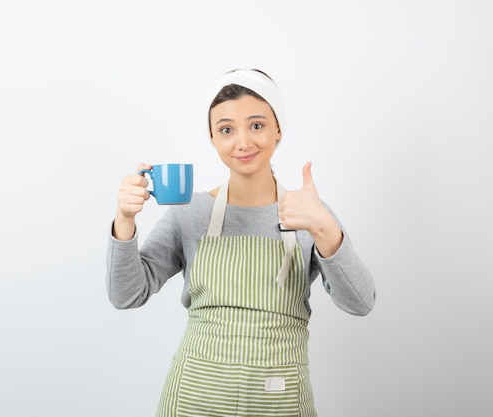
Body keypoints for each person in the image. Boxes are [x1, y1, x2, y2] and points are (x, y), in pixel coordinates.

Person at [106, 68, 376, 417]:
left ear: (278, 128)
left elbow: (361, 302)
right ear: (213, 138)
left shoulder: (309, 213)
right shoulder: (190, 213)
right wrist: (125, 220)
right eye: (227, 130)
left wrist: (325, 229)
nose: (243, 142)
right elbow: (127, 295)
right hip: (193, 400)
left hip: (279, 400)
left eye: (257, 125)